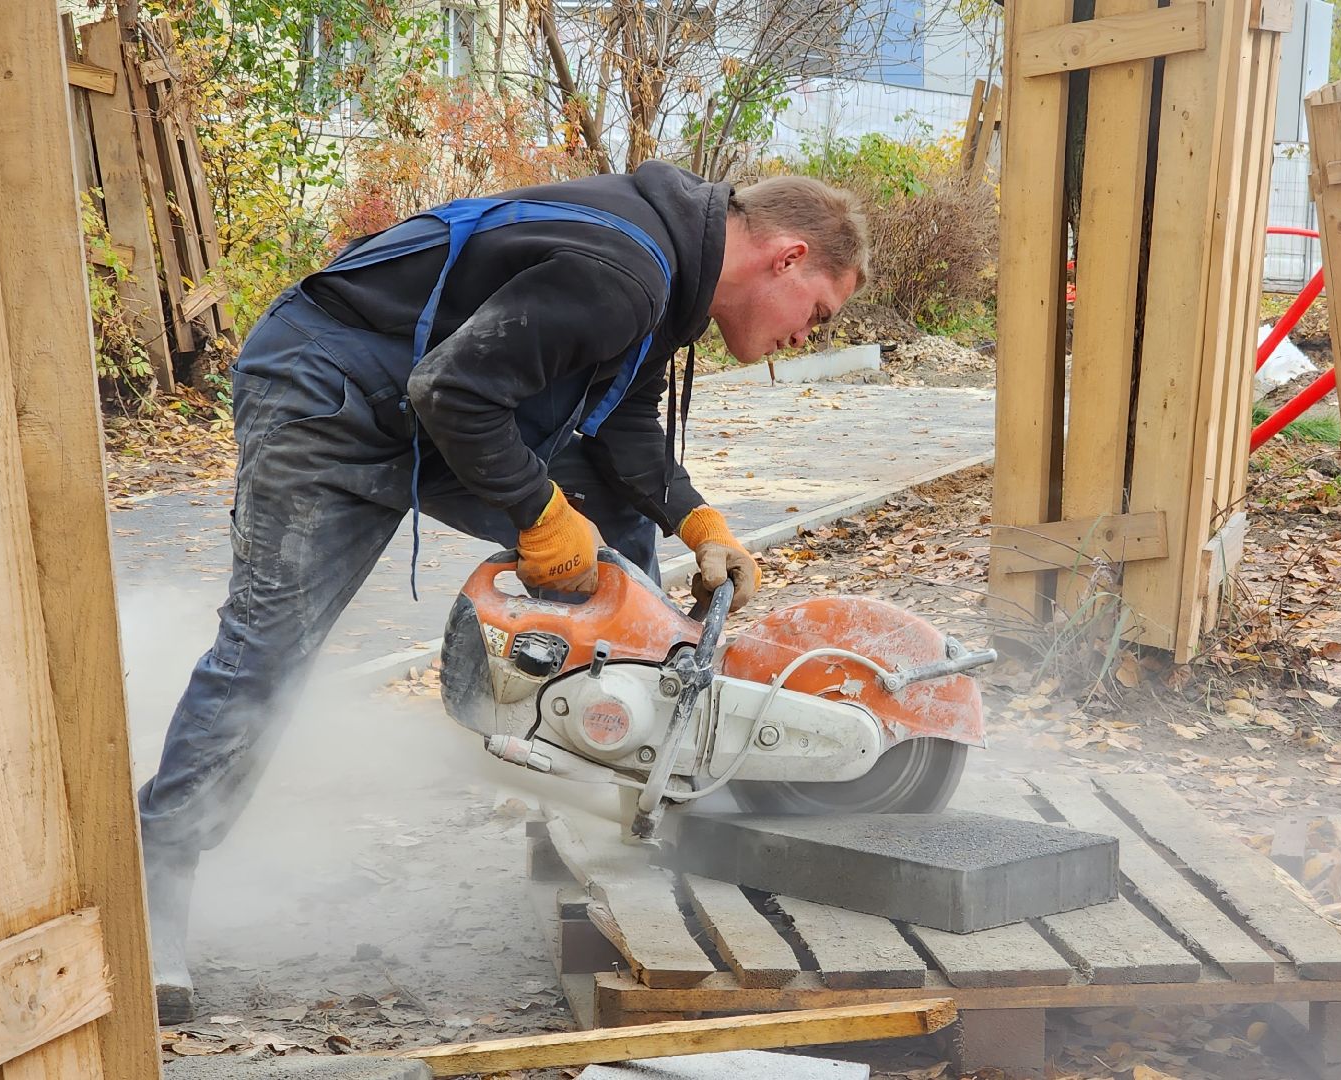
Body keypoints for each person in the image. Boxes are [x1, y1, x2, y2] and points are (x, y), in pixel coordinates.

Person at [138, 161, 869, 1022]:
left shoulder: (671, 276)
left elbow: (622, 426)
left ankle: (652, 780)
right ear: (787, 258)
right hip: (328, 393)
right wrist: (539, 514)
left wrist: (699, 522)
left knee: (617, 541)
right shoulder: (627, 272)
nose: (807, 336)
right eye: (819, 313)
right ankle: (156, 879)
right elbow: (452, 390)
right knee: (267, 648)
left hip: (424, 401)